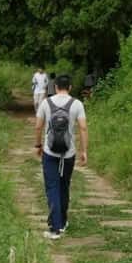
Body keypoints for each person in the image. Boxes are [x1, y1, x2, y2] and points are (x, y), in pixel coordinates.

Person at [34, 73, 88, 240]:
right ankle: (62, 222)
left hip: (50, 152)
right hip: (69, 153)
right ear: (70, 87)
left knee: (52, 187)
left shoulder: (46, 103)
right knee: (64, 186)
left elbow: (38, 127)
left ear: (55, 87)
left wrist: (38, 145)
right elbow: (83, 128)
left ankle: (55, 228)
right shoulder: (77, 104)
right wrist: (84, 151)